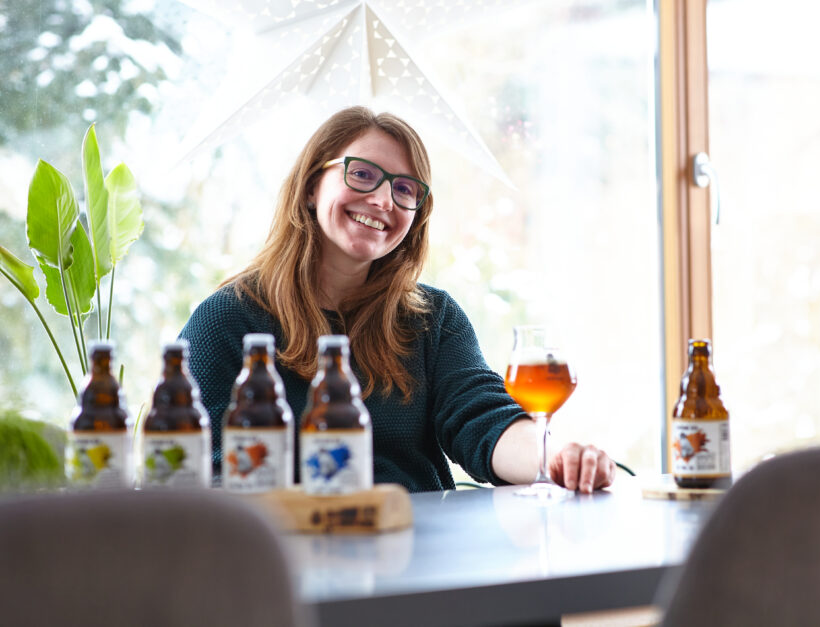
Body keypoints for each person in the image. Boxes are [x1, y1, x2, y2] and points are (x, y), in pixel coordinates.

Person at [179, 106, 616, 493]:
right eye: (362, 174)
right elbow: (209, 476)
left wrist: (554, 458)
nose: (384, 199)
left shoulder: (433, 319)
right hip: (284, 564)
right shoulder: (226, 320)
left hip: (417, 555)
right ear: (312, 187)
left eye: (405, 189)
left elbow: (483, 419)